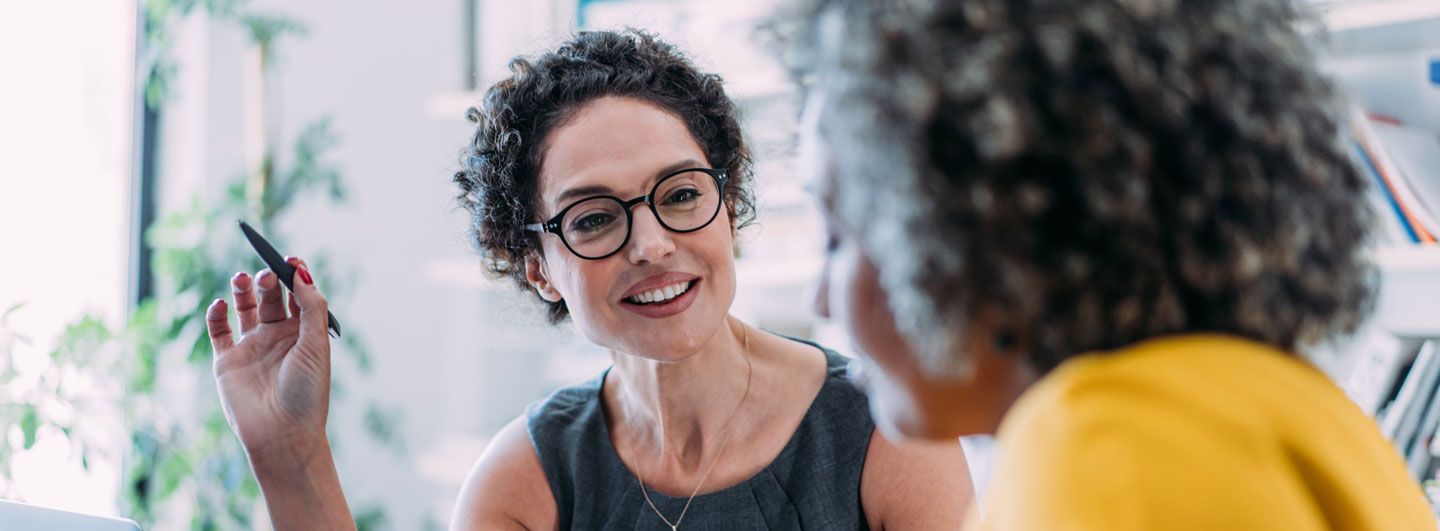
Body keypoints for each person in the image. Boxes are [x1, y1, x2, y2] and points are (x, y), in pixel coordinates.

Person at [204, 29, 972, 530]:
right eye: (595, 218)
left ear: (728, 209)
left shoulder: (887, 433)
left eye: (680, 195)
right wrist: (290, 451)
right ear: (536, 266)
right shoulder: (527, 478)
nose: (652, 244)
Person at [786, 0, 1436, 529]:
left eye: (841, 236)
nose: (820, 299)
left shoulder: (1099, 447)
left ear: (983, 229)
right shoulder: (1292, 406)